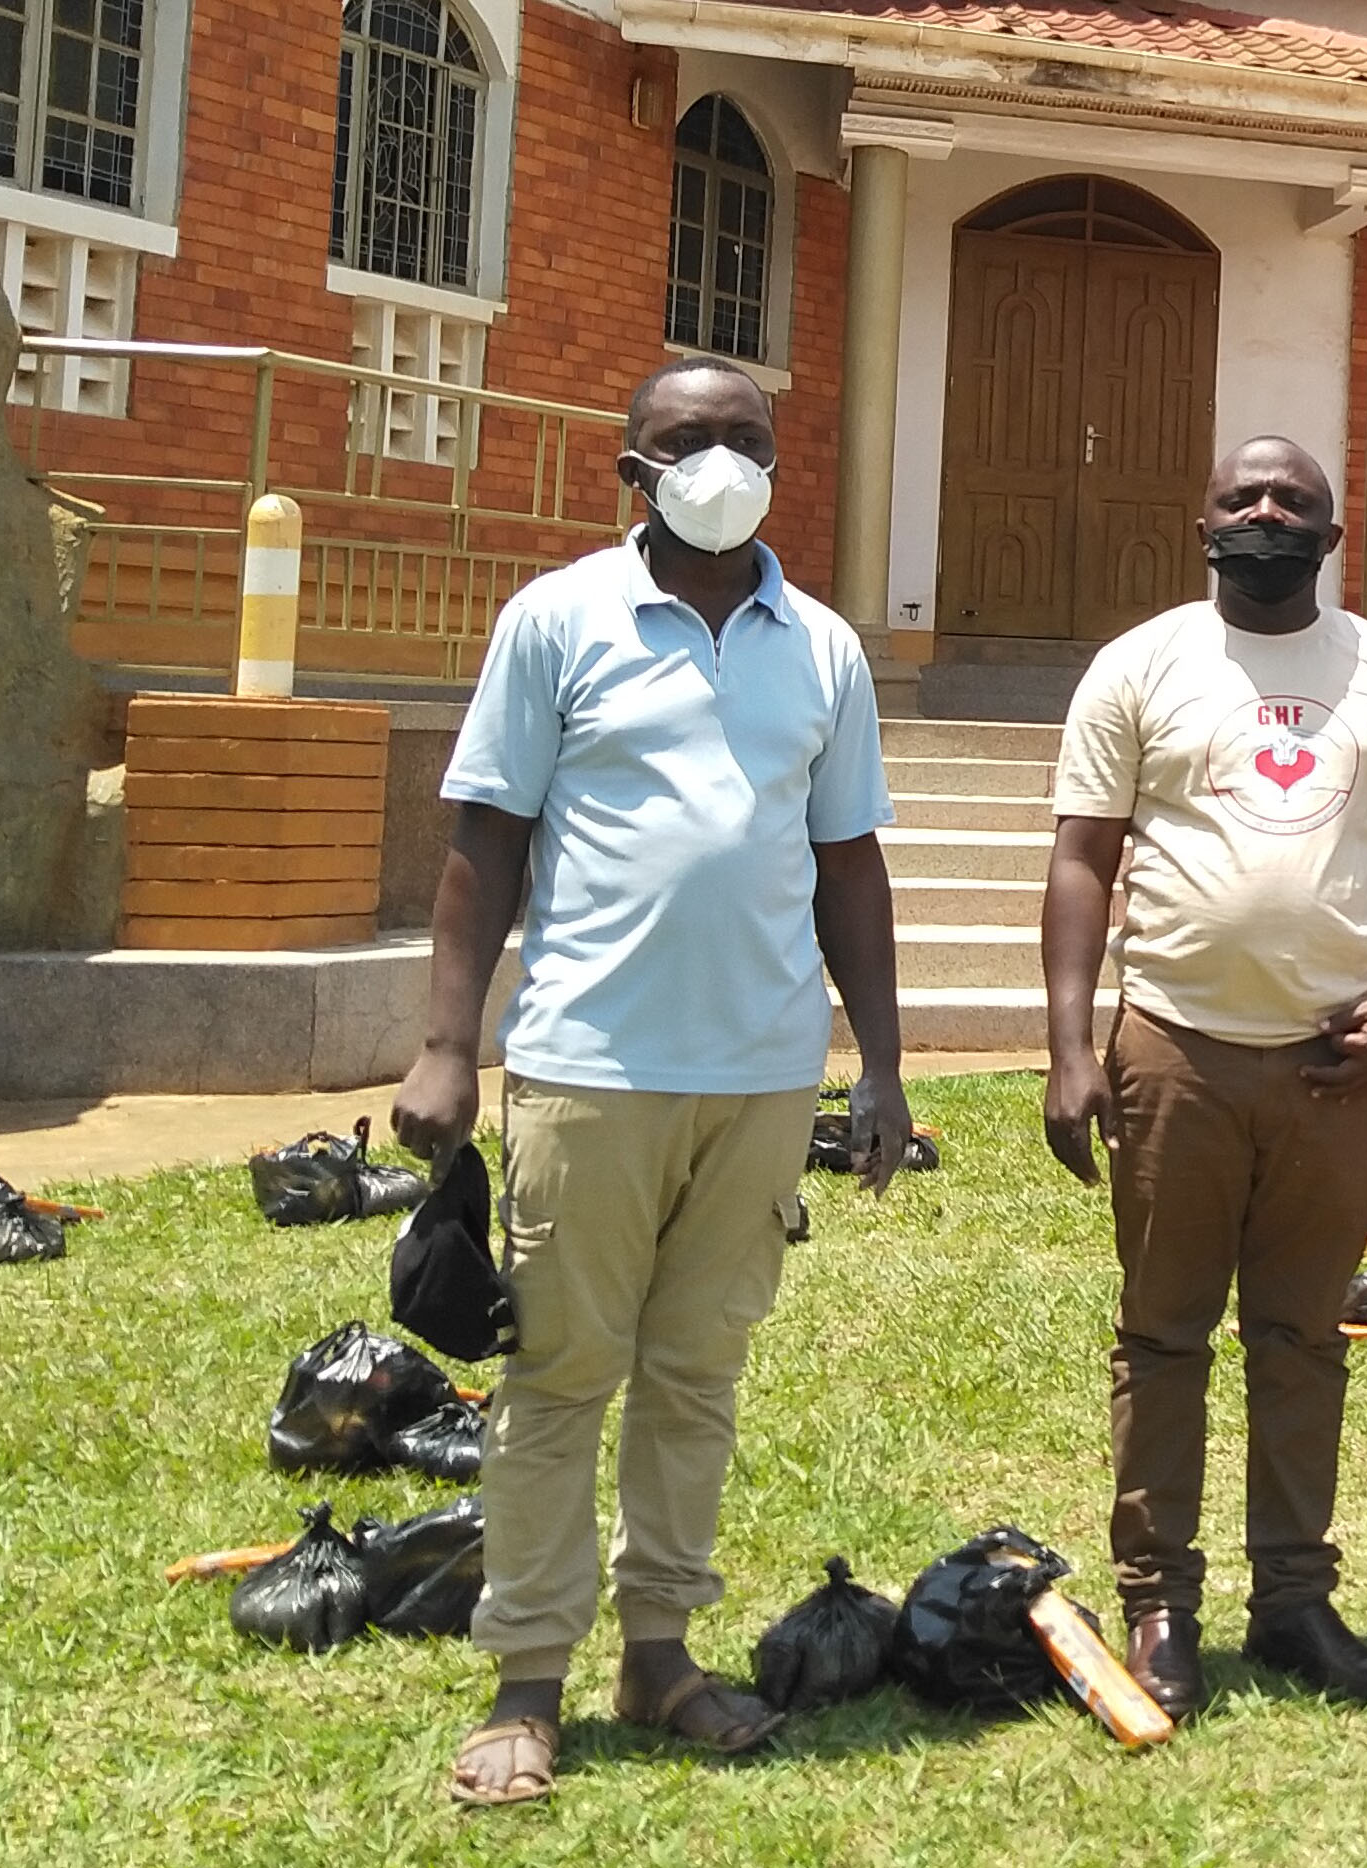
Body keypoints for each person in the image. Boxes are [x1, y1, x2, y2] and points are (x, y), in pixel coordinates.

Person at [394, 353, 908, 1810]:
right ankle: (527, 1679)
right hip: (589, 1066)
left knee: (696, 1378)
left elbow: (848, 861)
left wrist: (879, 1063)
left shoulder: (824, 648)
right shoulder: (557, 620)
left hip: (761, 1079)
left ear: (777, 465)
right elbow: (485, 838)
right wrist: (447, 1043)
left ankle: (661, 1654)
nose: (719, 462)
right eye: (688, 441)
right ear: (633, 468)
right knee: (560, 1376)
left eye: (745, 438)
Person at [1039, 436, 1367, 1723]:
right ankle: (1159, 1603)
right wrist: (1073, 1047)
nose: (1268, 514)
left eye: (1295, 502)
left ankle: (1293, 1600)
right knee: (1163, 1333)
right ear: (1205, 523)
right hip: (1176, 1046)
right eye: (1244, 498)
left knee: (1303, 1338)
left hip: (1339, 1063)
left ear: (1332, 537)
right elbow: (1083, 857)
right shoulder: (1140, 665)